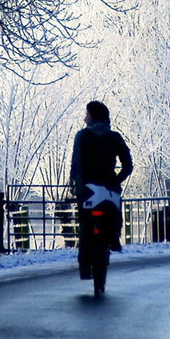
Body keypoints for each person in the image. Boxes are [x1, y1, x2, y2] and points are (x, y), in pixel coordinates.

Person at [69, 101, 132, 267]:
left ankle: (84, 263)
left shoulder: (82, 136)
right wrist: (116, 180)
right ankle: (114, 238)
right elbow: (127, 166)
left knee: (85, 221)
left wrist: (74, 182)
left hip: (87, 188)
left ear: (92, 116)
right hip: (109, 187)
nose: (84, 118)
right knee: (113, 214)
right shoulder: (114, 137)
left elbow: (76, 162)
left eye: (87, 114)